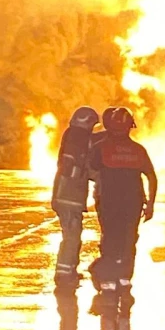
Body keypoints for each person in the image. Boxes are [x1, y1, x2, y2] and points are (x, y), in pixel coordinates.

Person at [88, 106, 157, 302]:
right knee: (129, 240)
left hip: (108, 203)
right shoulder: (138, 150)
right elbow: (151, 176)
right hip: (133, 204)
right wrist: (151, 204)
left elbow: (90, 171)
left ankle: (108, 280)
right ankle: (125, 279)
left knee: (110, 239)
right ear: (130, 126)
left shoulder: (100, 148)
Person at [52, 106, 100, 288]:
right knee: (71, 236)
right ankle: (64, 274)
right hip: (69, 197)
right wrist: (93, 174)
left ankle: (69, 270)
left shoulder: (74, 135)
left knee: (73, 235)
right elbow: (72, 165)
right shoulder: (77, 137)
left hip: (69, 196)